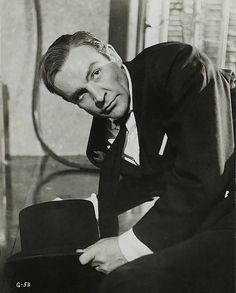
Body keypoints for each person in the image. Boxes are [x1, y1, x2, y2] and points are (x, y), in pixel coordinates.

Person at [40, 31, 235, 293]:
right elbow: (153, 172)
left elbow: (203, 174)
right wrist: (89, 209)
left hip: (222, 194)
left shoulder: (178, 65)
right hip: (214, 200)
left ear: (112, 54)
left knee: (129, 282)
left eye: (95, 73)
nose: (98, 96)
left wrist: (126, 248)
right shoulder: (105, 133)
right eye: (80, 95)